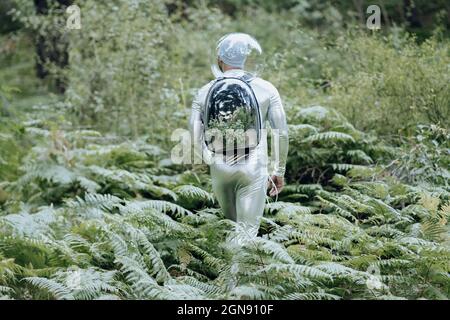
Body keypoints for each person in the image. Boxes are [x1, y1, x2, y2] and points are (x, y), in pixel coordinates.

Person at [189, 33, 288, 234]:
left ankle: (227, 265)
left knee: (232, 227)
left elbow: (194, 132)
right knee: (247, 231)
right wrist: (279, 170)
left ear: (219, 60)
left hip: (219, 167)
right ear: (246, 58)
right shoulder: (266, 88)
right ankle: (238, 266)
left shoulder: (205, 91)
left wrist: (208, 158)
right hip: (253, 166)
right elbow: (282, 133)